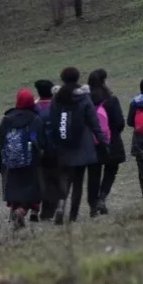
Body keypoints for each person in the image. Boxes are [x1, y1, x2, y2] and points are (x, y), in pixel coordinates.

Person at [48, 69, 108, 224]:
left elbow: (52, 123)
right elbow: (94, 122)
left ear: (62, 78)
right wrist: (103, 141)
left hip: (63, 146)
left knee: (64, 179)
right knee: (78, 183)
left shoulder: (56, 98)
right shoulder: (84, 97)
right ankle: (73, 216)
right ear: (77, 78)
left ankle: (61, 205)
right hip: (82, 147)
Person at [0, 89, 46, 230]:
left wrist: (0, 162)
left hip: (10, 162)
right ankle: (21, 211)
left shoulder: (6, 119)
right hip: (31, 161)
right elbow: (39, 140)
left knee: (15, 190)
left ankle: (15, 213)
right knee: (32, 190)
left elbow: (1, 143)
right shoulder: (34, 118)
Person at [87, 70, 125, 217]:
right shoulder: (111, 100)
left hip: (91, 143)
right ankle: (102, 197)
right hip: (111, 142)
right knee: (111, 170)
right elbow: (120, 123)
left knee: (93, 174)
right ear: (103, 82)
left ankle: (93, 205)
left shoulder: (86, 101)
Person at [32, 80, 62, 223]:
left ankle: (38, 209)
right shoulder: (57, 106)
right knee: (55, 181)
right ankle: (49, 212)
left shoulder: (34, 108)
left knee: (42, 181)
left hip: (40, 150)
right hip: (57, 149)